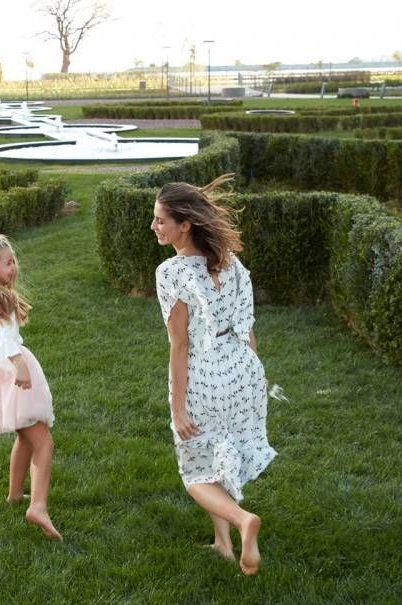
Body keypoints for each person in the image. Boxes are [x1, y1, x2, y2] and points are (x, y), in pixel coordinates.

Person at [150, 174, 279, 575]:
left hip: (205, 376)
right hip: (242, 369)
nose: (154, 227)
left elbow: (180, 346)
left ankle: (242, 520)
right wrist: (254, 373)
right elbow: (247, 325)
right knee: (218, 456)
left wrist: (178, 408)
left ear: (185, 225)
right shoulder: (231, 262)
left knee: (194, 473)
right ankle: (223, 544)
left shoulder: (171, 273)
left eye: (160, 220)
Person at [0, 234, 62, 541]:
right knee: (43, 442)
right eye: (7, 263)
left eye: (13, 261)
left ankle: (15, 495)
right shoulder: (3, 300)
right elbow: (7, 340)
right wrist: (20, 366)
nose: (13, 267)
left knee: (25, 435)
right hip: (9, 370)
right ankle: (38, 507)